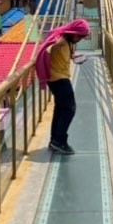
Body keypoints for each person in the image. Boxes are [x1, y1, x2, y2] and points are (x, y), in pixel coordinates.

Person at [35, 19, 91, 154]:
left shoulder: (67, 41)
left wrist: (74, 57)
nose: (79, 39)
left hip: (57, 78)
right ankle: (59, 141)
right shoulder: (60, 40)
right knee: (69, 109)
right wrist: (55, 45)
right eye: (79, 36)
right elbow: (48, 49)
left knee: (60, 109)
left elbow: (62, 53)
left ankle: (54, 140)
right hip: (59, 80)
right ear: (72, 33)